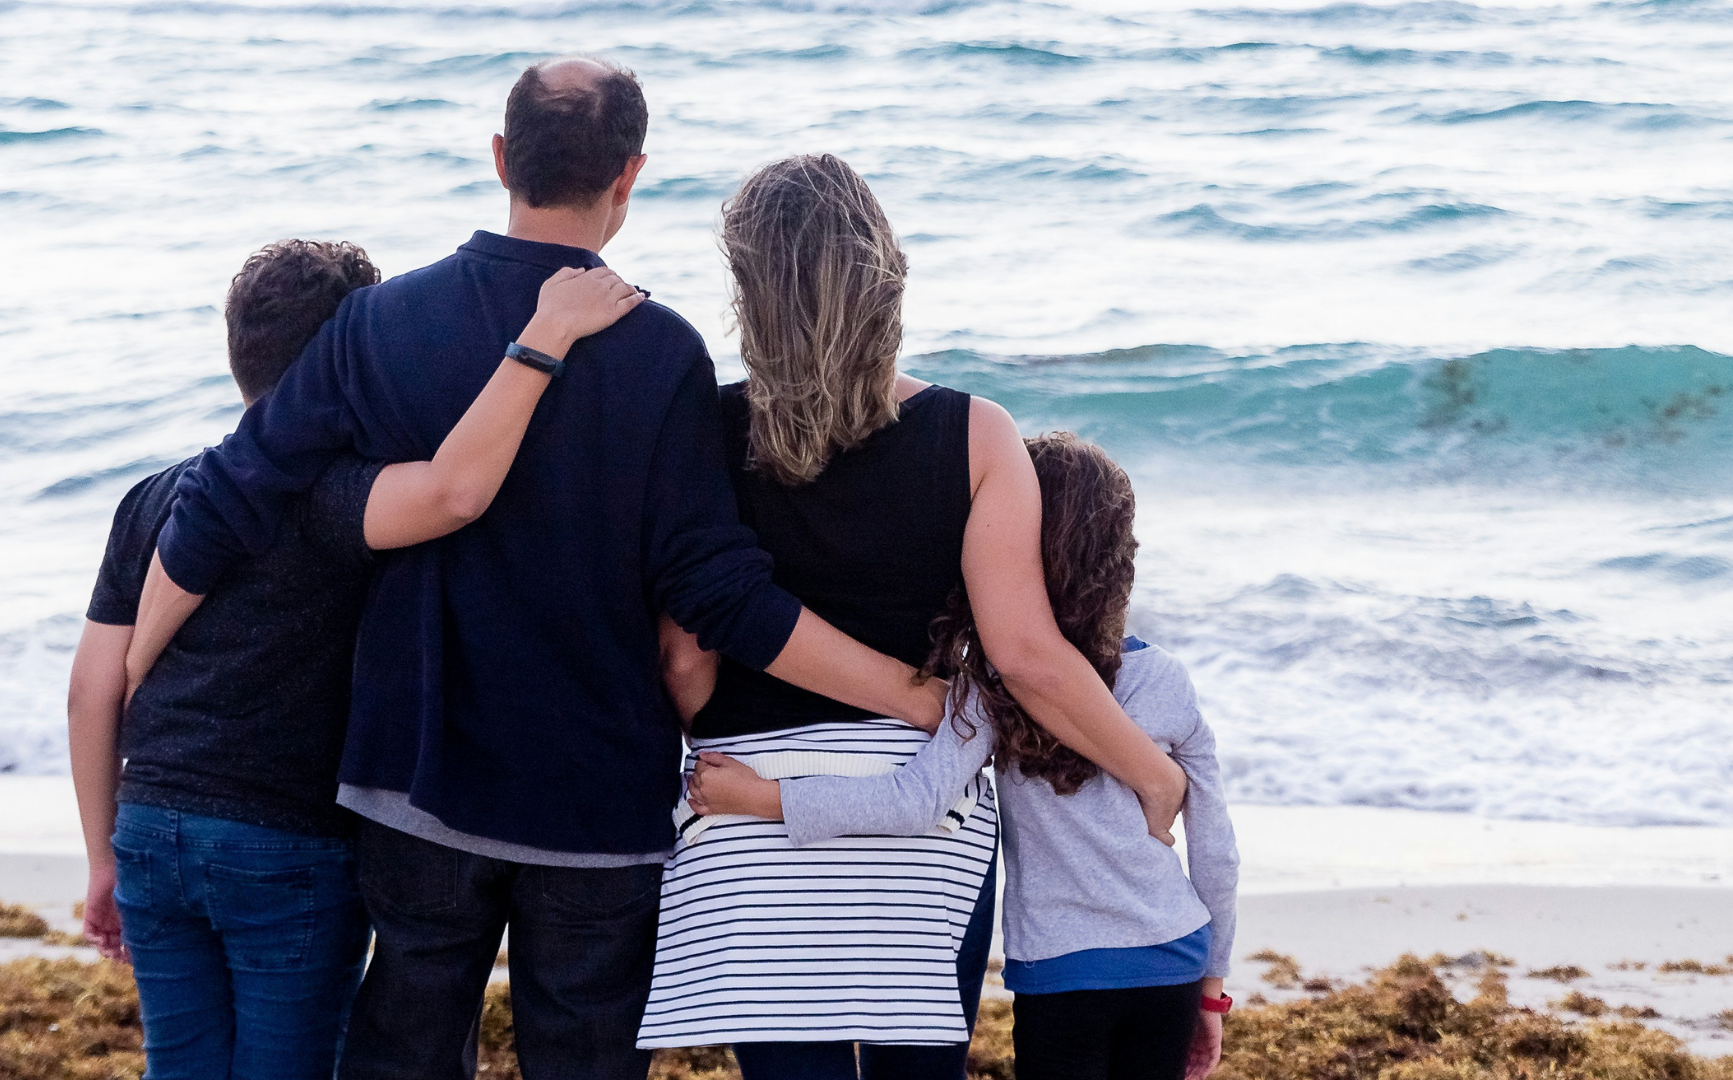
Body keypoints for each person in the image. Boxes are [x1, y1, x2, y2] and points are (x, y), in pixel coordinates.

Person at [125, 58, 960, 1080]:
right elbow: (718, 592)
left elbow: (233, 494)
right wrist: (915, 699)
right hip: (595, 800)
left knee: (406, 1053)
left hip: (414, 778)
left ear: (499, 158)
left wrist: (134, 670)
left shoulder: (381, 324)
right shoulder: (662, 353)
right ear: (631, 175)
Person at [634, 155, 1192, 1080]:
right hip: (920, 814)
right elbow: (1026, 655)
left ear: (748, 290)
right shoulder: (976, 432)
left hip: (752, 809)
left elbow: (685, 655)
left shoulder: (702, 428)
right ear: (885, 274)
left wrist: (712, 730)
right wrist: (1151, 775)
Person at [68, 238, 643, 1079]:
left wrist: (101, 856)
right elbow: (455, 489)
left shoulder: (154, 498)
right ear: (353, 356)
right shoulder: (337, 499)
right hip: (287, 842)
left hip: (152, 827)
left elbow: (91, 693)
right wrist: (544, 341)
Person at [691, 433, 1241, 1080]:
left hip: (1061, 973)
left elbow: (915, 801)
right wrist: (1213, 990)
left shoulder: (992, 682)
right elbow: (1217, 852)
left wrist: (761, 797)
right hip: (1174, 958)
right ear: (1119, 554)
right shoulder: (1167, 679)